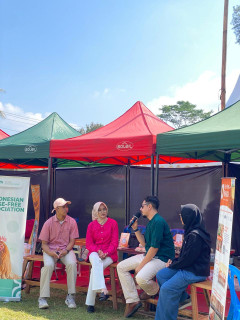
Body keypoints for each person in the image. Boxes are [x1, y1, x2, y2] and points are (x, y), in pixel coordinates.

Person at [117, 196, 175, 318]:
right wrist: (136, 229)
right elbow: (145, 244)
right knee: (121, 266)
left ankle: (153, 290)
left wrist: (140, 266)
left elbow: (154, 249)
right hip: (150, 255)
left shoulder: (158, 222)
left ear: (149, 206)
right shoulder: (150, 222)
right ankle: (133, 300)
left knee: (141, 277)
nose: (140, 209)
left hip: (162, 258)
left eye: (142, 206)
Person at [155, 204, 211, 320]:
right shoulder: (191, 231)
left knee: (167, 289)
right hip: (188, 267)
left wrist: (173, 264)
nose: (180, 217)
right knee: (161, 275)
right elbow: (185, 256)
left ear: (188, 217)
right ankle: (184, 298)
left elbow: (187, 260)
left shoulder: (195, 236)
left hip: (195, 271)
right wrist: (174, 263)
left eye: (182, 215)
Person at [38, 198, 79, 309]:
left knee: (72, 264)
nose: (66, 209)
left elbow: (72, 242)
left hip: (66, 250)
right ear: (56, 209)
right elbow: (44, 244)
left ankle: (71, 296)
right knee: (48, 266)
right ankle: (42, 298)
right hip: (50, 250)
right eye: (64, 207)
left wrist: (65, 250)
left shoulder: (72, 222)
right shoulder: (48, 223)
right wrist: (51, 253)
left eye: (67, 206)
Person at [85, 201, 119, 313]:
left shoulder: (113, 223)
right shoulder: (91, 225)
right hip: (95, 253)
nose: (102, 212)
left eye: (104, 209)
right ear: (95, 211)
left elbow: (114, 243)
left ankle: (90, 303)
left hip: (109, 254)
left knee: (95, 269)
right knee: (96, 261)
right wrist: (98, 251)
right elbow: (89, 244)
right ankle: (103, 289)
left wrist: (106, 253)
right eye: (99, 210)